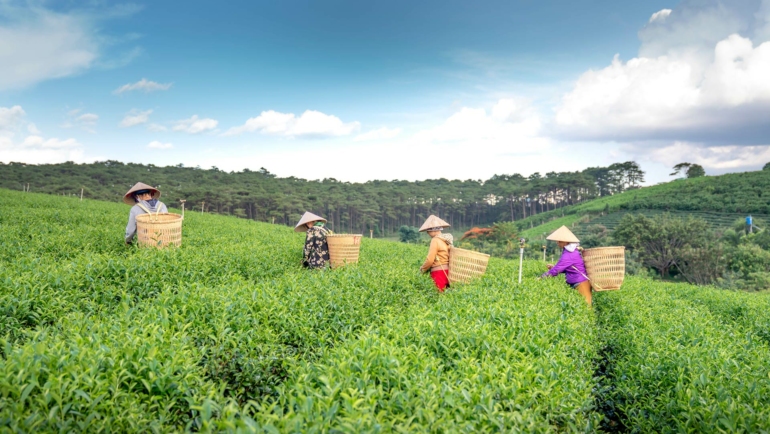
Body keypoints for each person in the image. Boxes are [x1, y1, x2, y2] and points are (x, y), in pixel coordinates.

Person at [540, 225, 592, 306]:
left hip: (581, 283)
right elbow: (568, 268)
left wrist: (542, 277)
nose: (557, 242)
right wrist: (554, 268)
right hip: (576, 282)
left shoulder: (570, 254)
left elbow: (556, 270)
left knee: (586, 307)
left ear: (566, 242)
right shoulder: (569, 251)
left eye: (560, 241)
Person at [418, 215, 453, 292]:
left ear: (433, 230)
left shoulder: (435, 240)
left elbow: (430, 260)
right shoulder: (446, 240)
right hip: (448, 271)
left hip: (438, 273)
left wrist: (422, 269)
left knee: (438, 296)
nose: (427, 233)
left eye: (428, 231)